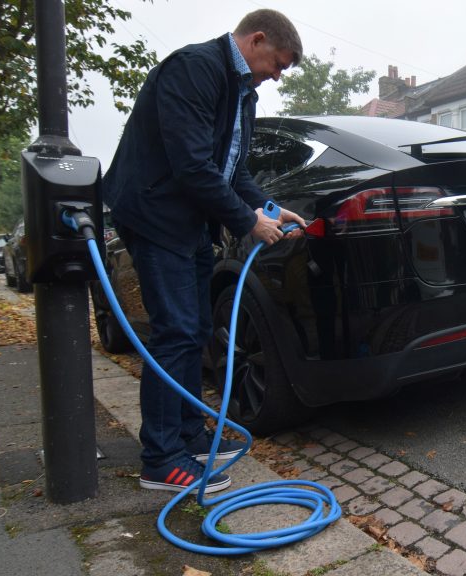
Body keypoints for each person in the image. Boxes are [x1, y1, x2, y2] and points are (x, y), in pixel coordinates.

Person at [102, 9, 305, 493]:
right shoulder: (195, 69)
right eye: (278, 63)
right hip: (155, 215)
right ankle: (160, 458)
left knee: (194, 330)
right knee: (174, 331)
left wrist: (270, 208)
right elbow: (192, 165)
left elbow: (233, 173)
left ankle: (190, 436)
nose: (277, 76)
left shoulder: (243, 95)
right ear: (256, 40)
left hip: (189, 222)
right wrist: (246, 222)